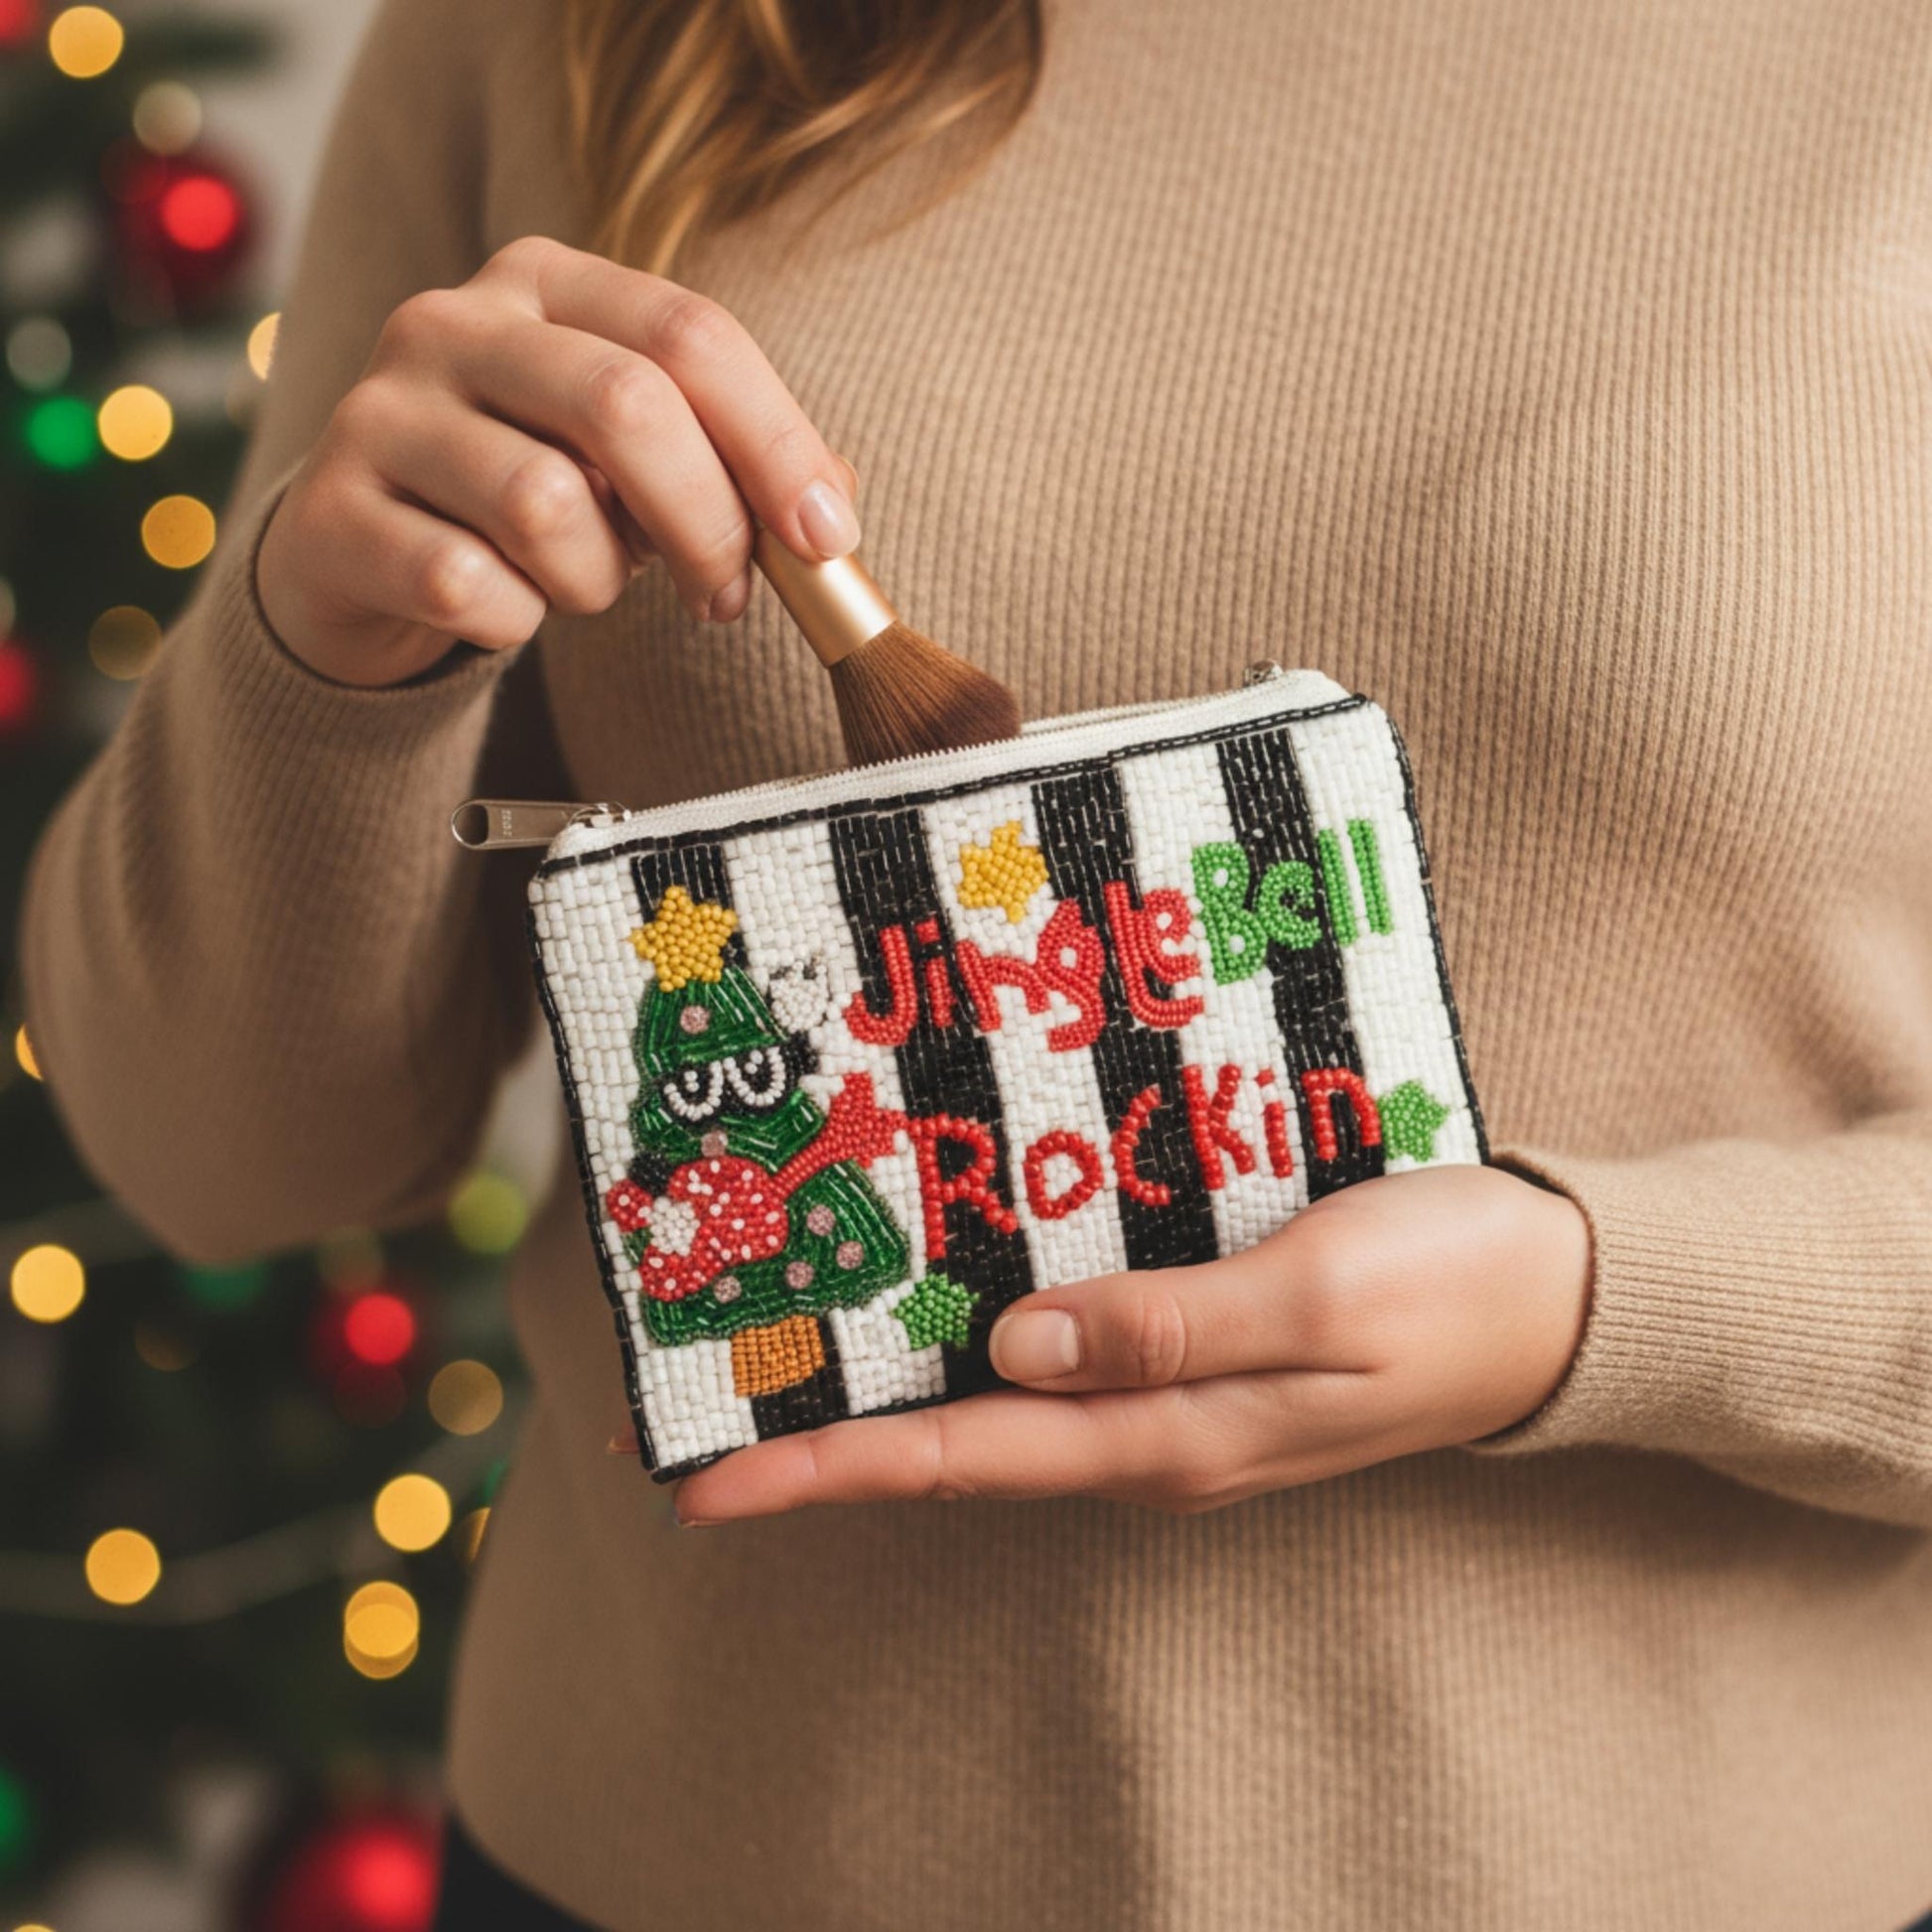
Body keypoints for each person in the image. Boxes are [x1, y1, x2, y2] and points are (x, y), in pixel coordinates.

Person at [21, 0, 1932, 1925]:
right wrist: (326, 656)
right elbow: (219, 1156)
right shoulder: (569, 32)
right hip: (668, 1869)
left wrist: (1610, 1301)